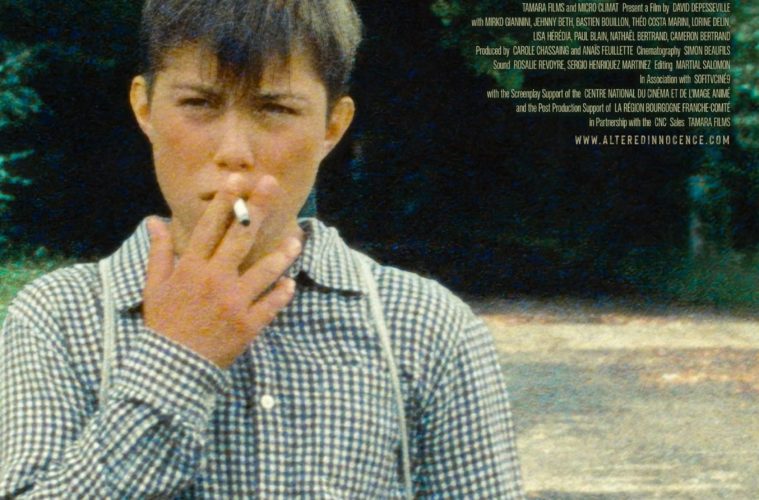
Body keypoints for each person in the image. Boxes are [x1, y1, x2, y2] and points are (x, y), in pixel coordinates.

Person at [0, 0, 524, 497]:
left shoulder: (427, 328)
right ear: (144, 107)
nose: (234, 152)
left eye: (275, 108)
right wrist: (177, 359)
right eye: (198, 103)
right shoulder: (59, 318)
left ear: (332, 126)